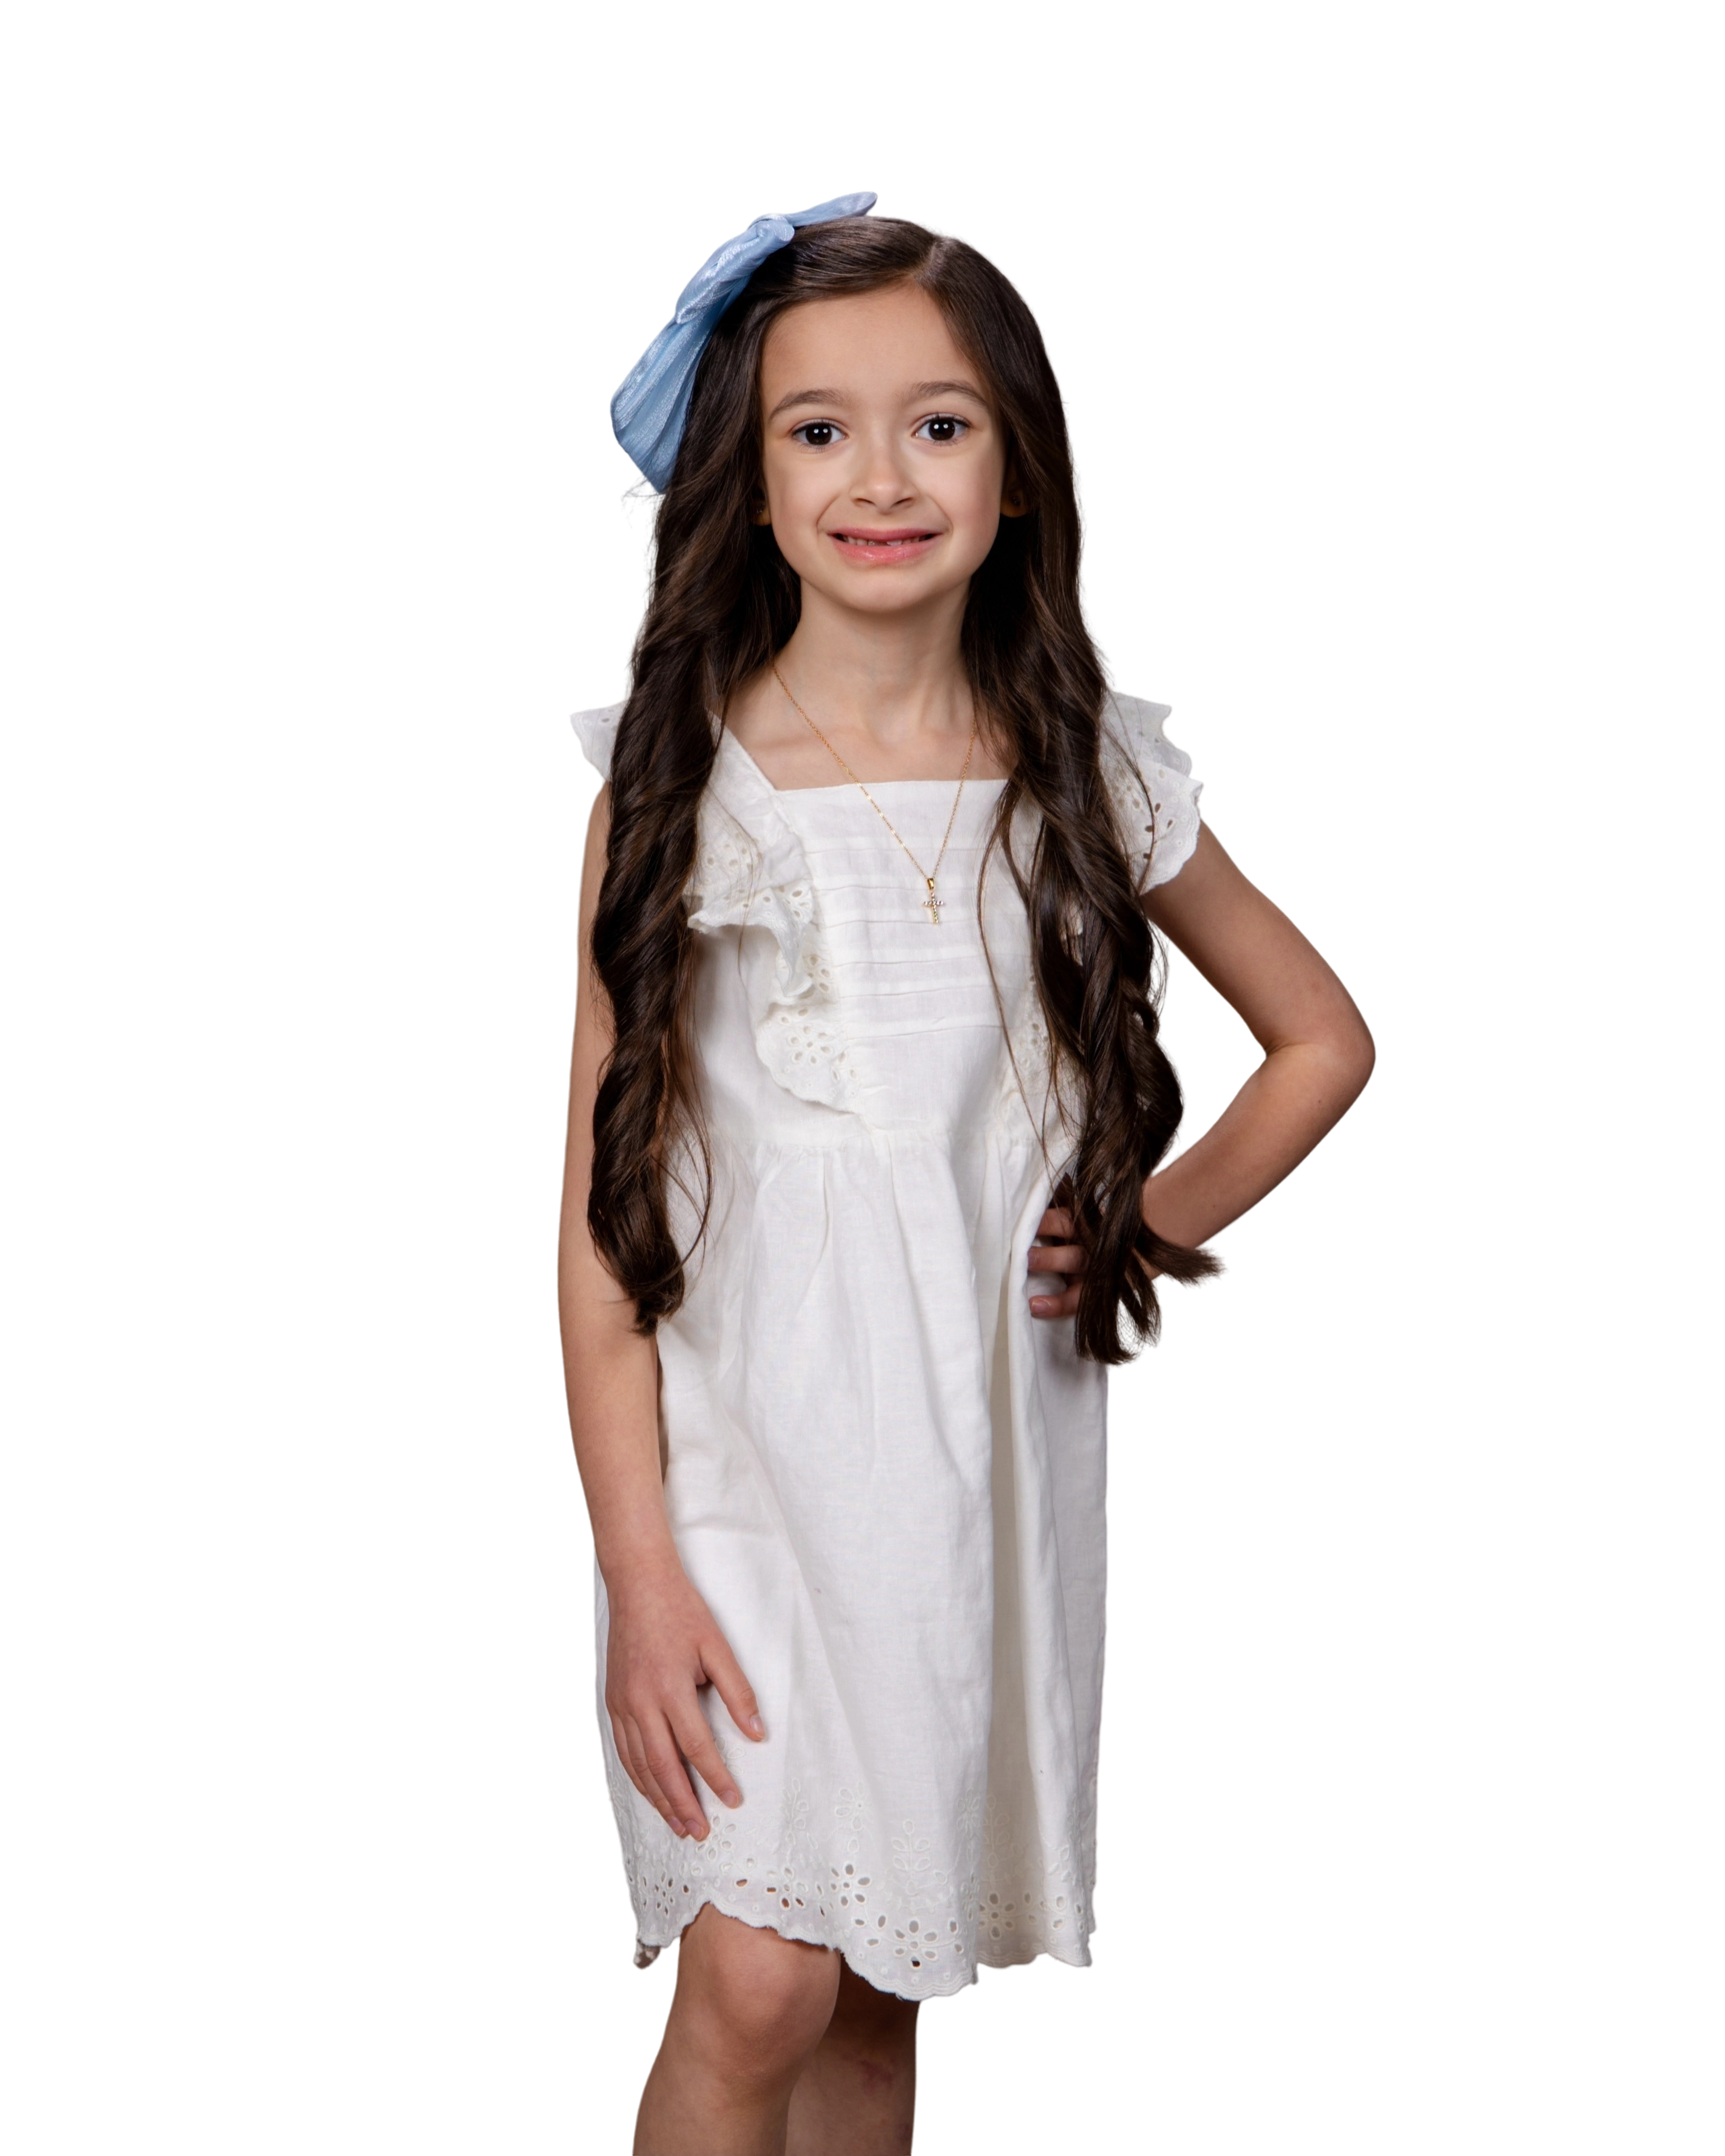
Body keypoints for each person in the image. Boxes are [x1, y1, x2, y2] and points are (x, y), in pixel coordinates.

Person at [555, 194, 1378, 2156]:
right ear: (750, 481)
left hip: (959, 1480)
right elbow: (599, 1228)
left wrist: (1150, 1222)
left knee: (871, 1995)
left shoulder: (1090, 768)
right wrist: (640, 1571)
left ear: (1017, 469)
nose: (879, 477)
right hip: (735, 1483)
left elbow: (1322, 1040)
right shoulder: (675, 784)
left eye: (937, 424)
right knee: (760, 1975)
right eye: (816, 429)